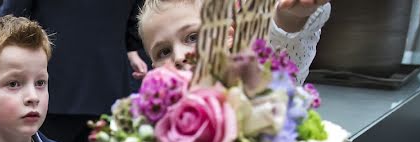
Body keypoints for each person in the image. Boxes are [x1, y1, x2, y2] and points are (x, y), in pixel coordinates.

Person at [0, 0, 143, 142]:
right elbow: (137, 16)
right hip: (104, 83)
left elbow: (10, 18)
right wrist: (131, 46)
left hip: (52, 83)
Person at [138, 0, 331, 85]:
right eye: (164, 52)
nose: (179, 57)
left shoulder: (251, 81)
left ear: (227, 36)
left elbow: (281, 45)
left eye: (193, 37)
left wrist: (289, 16)